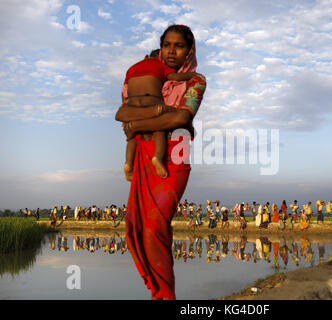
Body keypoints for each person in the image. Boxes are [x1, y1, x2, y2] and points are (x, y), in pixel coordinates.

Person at [116, 25, 206, 300]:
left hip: (176, 155)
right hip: (144, 154)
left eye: (179, 46)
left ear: (189, 51)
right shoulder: (144, 76)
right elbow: (124, 119)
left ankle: (165, 296)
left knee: (156, 224)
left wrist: (137, 123)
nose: (171, 50)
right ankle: (160, 294)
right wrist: (139, 122)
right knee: (136, 225)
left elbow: (181, 118)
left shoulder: (195, 81)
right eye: (166, 44)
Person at [122, 48, 198, 181]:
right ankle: (157, 157)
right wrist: (192, 75)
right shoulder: (160, 65)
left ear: (146, 57)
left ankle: (128, 163)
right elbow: (175, 77)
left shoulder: (132, 68)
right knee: (158, 130)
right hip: (150, 102)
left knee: (132, 136)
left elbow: (125, 91)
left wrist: (126, 110)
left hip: (131, 104)